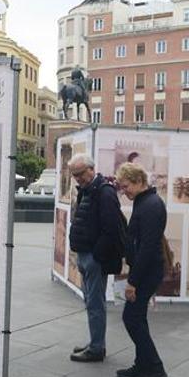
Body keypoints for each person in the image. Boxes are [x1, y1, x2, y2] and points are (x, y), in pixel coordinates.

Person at [114, 162, 168, 377]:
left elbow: (146, 247)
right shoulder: (144, 201)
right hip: (146, 269)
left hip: (147, 272)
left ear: (138, 182)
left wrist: (132, 282)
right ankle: (142, 363)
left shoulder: (151, 205)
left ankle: (154, 367)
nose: (123, 191)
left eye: (125, 186)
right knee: (137, 317)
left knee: (132, 318)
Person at [67, 153, 123, 363]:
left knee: (95, 304)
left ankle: (97, 348)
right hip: (85, 255)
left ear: (91, 169)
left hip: (93, 257)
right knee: (91, 302)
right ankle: (94, 342)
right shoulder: (88, 190)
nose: (77, 178)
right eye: (74, 175)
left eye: (80, 173)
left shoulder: (104, 192)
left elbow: (111, 229)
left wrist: (96, 257)